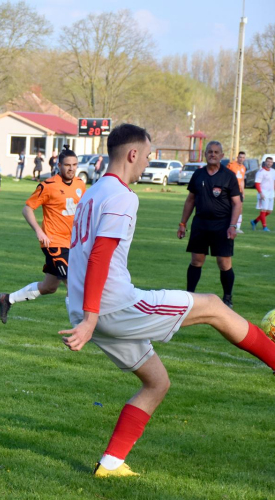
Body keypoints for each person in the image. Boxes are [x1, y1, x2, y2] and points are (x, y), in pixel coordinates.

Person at [60, 123, 275, 478]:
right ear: (132, 155)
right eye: (146, 156)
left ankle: (111, 463)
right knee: (213, 306)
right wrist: (92, 317)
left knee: (157, 382)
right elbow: (99, 255)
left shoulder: (94, 192)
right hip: (111, 307)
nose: (147, 162)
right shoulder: (123, 195)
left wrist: (86, 315)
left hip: (87, 307)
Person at [0, 146, 86, 322]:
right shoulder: (48, 186)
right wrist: (39, 231)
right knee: (72, 283)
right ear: (59, 165)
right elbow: (27, 209)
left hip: (73, 243)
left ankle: (7, 299)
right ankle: (79, 327)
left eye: (75, 165)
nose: (71, 169)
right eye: (67, 165)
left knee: (49, 287)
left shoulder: (80, 185)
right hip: (53, 243)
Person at [178, 141, 241, 308]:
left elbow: (237, 203)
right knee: (196, 260)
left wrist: (233, 225)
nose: (213, 154)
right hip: (201, 223)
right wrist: (183, 223)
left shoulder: (229, 176)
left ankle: (227, 298)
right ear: (205, 155)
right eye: (210, 152)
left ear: (221, 156)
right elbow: (190, 200)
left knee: (224, 262)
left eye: (216, 152)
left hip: (222, 225)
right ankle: (190, 295)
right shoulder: (198, 175)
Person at [251, 156, 274, 232]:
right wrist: (260, 193)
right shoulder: (261, 172)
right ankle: (265, 227)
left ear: (272, 163)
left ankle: (254, 221)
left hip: (271, 194)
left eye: (271, 162)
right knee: (263, 210)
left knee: (269, 211)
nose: (269, 163)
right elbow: (257, 183)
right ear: (265, 162)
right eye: (268, 161)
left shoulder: (273, 171)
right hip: (263, 193)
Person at [226, 151, 247, 233]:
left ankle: (237, 227)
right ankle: (228, 224)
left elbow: (241, 181)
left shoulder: (243, 168)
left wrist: (243, 192)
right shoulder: (231, 165)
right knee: (230, 207)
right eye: (240, 157)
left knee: (239, 208)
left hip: (239, 191)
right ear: (237, 157)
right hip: (231, 190)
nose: (241, 159)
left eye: (243, 157)